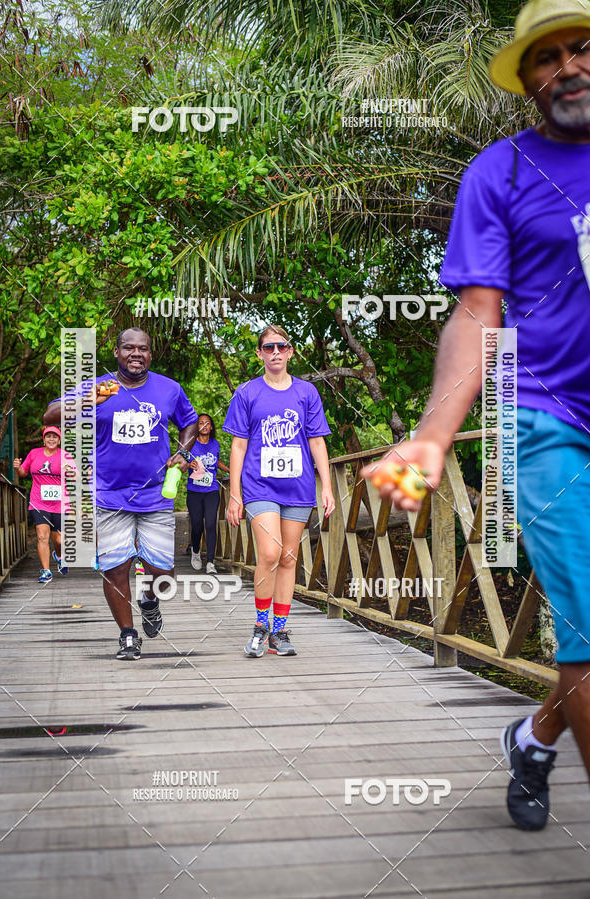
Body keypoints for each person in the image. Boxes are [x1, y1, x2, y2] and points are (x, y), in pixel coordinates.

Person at [363, 0, 590, 832]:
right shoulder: (501, 172)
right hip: (545, 416)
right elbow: (477, 313)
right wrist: (432, 436)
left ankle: (533, 738)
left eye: (584, 48)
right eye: (547, 58)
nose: (569, 67)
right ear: (527, 82)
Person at [44, 327, 198, 660]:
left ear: (150, 354)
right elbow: (51, 415)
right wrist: (90, 399)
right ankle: (128, 635)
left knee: (163, 575)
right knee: (116, 568)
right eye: (129, 348)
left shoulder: (169, 389)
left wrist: (183, 453)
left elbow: (191, 422)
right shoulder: (98, 387)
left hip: (156, 495)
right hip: (110, 495)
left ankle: (150, 600)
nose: (136, 354)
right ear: (117, 352)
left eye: (143, 348)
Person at [223, 325, 336, 657]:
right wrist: (235, 494)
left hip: (298, 486)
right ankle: (260, 626)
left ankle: (280, 631)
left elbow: (317, 441)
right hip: (260, 486)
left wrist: (327, 487)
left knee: (288, 557)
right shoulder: (247, 393)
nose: (275, 352)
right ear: (259, 353)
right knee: (270, 554)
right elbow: (238, 446)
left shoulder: (306, 392)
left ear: (290, 352)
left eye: (282, 346)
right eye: (269, 347)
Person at [14, 425, 76, 583]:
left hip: (60, 503)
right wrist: (18, 468)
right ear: (43, 439)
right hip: (38, 502)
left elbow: (76, 477)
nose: (51, 439)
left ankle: (59, 555)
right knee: (42, 536)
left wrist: (69, 470)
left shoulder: (65, 455)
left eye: (55, 437)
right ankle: (46, 571)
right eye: (48, 436)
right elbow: (23, 473)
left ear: (59, 440)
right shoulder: (34, 453)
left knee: (59, 540)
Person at [186, 413, 230, 574]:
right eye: (201, 423)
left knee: (211, 524)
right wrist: (189, 464)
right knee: (197, 525)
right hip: (194, 491)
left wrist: (230, 470)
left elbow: (216, 461)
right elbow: (182, 462)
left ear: (211, 427)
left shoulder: (215, 444)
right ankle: (196, 551)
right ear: (197, 427)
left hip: (211, 490)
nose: (204, 425)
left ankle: (210, 562)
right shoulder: (190, 444)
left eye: (207, 423)